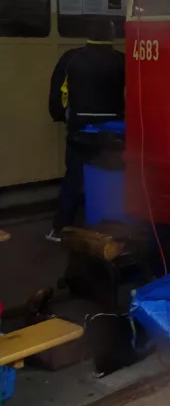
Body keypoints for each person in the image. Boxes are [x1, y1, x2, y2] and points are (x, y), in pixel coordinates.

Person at [47, 17, 125, 242]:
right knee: (111, 178)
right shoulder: (121, 61)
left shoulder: (71, 59)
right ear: (111, 36)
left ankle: (60, 229)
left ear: (87, 35)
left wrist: (60, 116)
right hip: (113, 131)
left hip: (80, 129)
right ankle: (110, 229)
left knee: (73, 178)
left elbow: (58, 94)